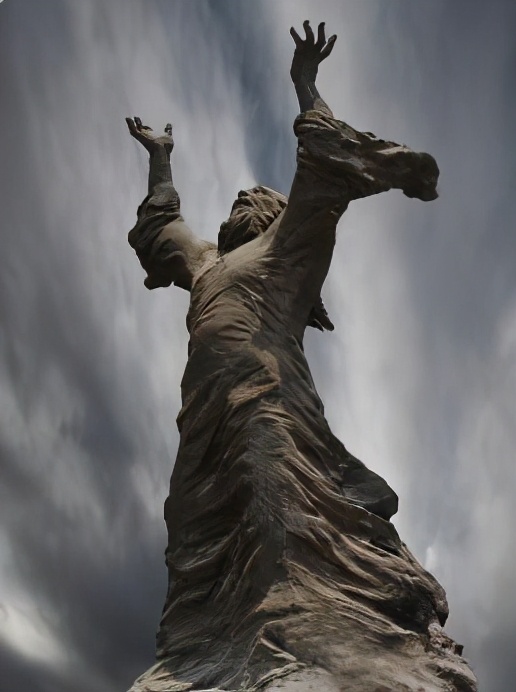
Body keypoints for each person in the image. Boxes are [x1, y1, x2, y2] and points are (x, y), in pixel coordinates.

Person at [127, 22, 446, 692]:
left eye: (255, 197)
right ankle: (199, 665)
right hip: (204, 428)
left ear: (273, 216)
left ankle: (305, 661)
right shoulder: (210, 264)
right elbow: (161, 230)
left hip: (267, 411)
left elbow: (322, 169)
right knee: (198, 552)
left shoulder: (287, 250)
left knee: (283, 536)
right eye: (236, 198)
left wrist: (305, 83)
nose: (242, 197)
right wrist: (161, 157)